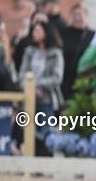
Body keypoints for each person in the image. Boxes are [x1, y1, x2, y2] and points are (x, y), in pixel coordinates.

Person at [18, 21, 64, 153]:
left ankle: (44, 161)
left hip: (46, 100)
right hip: (29, 99)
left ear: (47, 33)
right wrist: (29, 87)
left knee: (46, 133)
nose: (34, 33)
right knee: (28, 132)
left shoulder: (55, 53)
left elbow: (57, 78)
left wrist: (37, 85)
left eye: (38, 31)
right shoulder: (29, 52)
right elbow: (22, 73)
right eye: (33, 30)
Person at [60, 2, 95, 103]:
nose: (77, 18)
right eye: (75, 15)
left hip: (85, 81)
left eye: (80, 14)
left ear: (86, 16)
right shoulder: (64, 33)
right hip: (65, 81)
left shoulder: (93, 35)